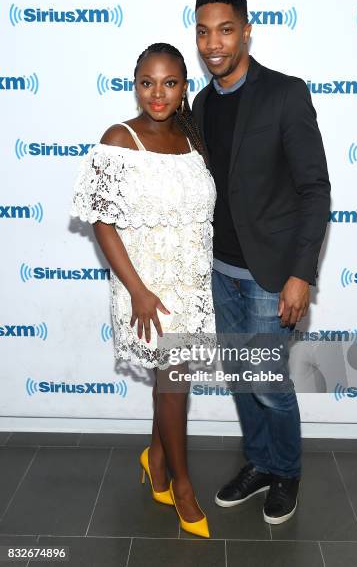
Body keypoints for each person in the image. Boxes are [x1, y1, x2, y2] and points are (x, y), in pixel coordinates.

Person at [192, 0, 331, 525]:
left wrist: (301, 275)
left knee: (270, 386)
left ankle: (287, 473)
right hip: (220, 271)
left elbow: (315, 189)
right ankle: (259, 463)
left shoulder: (284, 93)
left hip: (269, 275)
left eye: (225, 29)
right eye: (203, 31)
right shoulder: (201, 104)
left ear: (246, 30)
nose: (213, 43)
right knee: (241, 380)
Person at [70, 43, 216, 538]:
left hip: (191, 282)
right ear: (135, 84)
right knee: (174, 383)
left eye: (170, 82)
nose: (158, 93)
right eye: (147, 82)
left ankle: (155, 455)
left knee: (173, 382)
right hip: (146, 288)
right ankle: (184, 486)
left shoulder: (192, 139)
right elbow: (102, 220)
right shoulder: (120, 139)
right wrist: (137, 290)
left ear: (183, 87)